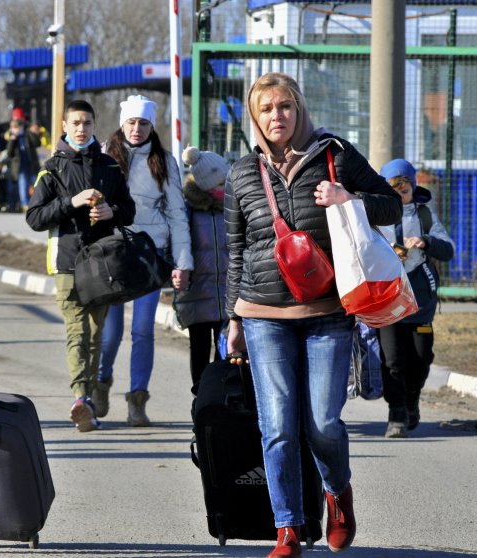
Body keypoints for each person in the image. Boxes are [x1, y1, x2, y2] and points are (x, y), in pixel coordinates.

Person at [224, 72, 402, 557]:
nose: (276, 116)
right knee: (277, 426)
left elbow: (392, 205)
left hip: (327, 310)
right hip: (262, 314)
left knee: (323, 422)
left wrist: (350, 199)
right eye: (266, 109)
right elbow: (235, 250)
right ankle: (288, 529)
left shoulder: (334, 155)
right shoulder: (241, 173)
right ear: (255, 117)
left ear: (298, 110)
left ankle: (338, 497)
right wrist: (233, 320)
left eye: (285, 106)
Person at [26, 99, 136, 432]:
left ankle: (91, 393)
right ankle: (81, 398)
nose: (81, 128)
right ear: (64, 126)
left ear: (93, 125)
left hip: (103, 262)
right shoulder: (52, 168)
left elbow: (129, 209)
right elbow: (34, 218)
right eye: (75, 123)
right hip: (66, 262)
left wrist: (111, 212)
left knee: (96, 333)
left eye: (87, 122)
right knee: (78, 331)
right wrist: (70, 203)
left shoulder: (110, 166)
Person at [93, 95, 193, 427]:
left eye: (144, 123)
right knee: (110, 334)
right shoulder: (104, 156)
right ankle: (101, 383)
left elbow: (178, 216)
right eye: (132, 122)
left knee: (142, 331)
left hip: (149, 256)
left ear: (152, 125)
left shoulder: (164, 161)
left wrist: (182, 262)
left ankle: (138, 400)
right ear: (123, 124)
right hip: (113, 254)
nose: (137, 129)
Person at [378, 159, 455, 438]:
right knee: (392, 360)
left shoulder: (424, 215)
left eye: (404, 189)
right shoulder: (373, 217)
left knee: (421, 356)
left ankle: (412, 399)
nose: (399, 195)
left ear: (412, 189)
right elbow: (362, 249)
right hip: (387, 299)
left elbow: (448, 249)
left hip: (420, 300)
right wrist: (388, 252)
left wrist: (426, 241)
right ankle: (396, 414)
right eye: (392, 189)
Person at [173, 147, 229, 392]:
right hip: (197, 293)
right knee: (199, 346)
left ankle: (217, 394)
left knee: (225, 347)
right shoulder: (189, 211)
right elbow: (180, 246)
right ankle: (201, 392)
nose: (226, 187)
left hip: (226, 291)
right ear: (206, 185)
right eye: (221, 183)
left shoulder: (232, 208)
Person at [4, 118, 41, 212]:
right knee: (23, 186)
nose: (14, 130)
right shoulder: (12, 137)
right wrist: (13, 140)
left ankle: (37, 203)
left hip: (32, 165)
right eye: (12, 128)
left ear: (21, 127)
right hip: (20, 167)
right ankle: (25, 205)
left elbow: (37, 143)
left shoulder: (27, 135)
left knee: (36, 184)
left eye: (16, 127)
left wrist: (29, 133)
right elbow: (9, 153)